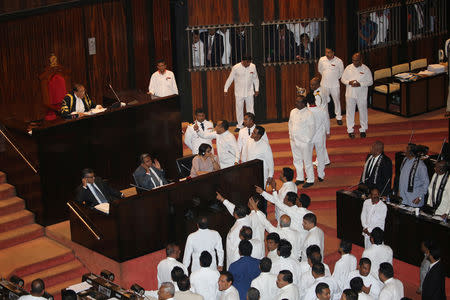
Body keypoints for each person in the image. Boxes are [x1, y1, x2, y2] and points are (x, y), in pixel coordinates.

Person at [341, 52, 373, 139]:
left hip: (361, 94)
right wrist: (349, 82)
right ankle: (350, 130)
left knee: (363, 111)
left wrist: (361, 84)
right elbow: (343, 79)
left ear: (361, 60)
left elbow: (370, 82)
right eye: (353, 61)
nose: (355, 63)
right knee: (350, 112)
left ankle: (363, 129)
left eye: (357, 61)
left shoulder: (366, 69)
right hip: (350, 94)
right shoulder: (348, 68)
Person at [224, 56, 259, 131]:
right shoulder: (236, 67)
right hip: (239, 92)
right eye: (247, 62)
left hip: (249, 91)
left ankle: (251, 125)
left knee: (250, 109)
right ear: (242, 61)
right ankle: (239, 125)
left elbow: (255, 78)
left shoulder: (253, 66)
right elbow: (230, 78)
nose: (249, 64)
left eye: (250, 62)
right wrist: (226, 89)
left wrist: (257, 89)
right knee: (239, 109)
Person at [215, 192, 251, 268]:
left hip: (235, 261)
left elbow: (237, 250)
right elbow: (233, 208)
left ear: (236, 215)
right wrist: (222, 199)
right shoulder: (246, 217)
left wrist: (233, 266)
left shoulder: (238, 230)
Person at [289, 90, 316, 187]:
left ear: (304, 103)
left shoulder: (309, 114)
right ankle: (300, 177)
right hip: (294, 140)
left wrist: (307, 140)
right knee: (297, 160)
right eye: (296, 101)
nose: (296, 103)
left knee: (307, 160)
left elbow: (312, 128)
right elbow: (290, 125)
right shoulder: (293, 112)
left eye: (298, 102)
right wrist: (291, 137)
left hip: (305, 142)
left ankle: (310, 179)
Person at [307, 85, 330, 181]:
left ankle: (310, 175)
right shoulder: (322, 111)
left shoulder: (306, 112)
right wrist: (328, 131)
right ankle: (321, 175)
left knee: (308, 156)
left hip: (309, 137)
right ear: (315, 100)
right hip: (320, 136)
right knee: (320, 155)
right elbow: (327, 122)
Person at [318, 48, 344, 124]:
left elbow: (341, 73)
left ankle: (338, 117)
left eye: (329, 52)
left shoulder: (339, 61)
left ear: (333, 52)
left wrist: (334, 78)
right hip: (324, 84)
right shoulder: (322, 59)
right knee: (324, 101)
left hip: (335, 85)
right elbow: (320, 70)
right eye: (326, 52)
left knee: (336, 101)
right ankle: (325, 117)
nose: (327, 54)